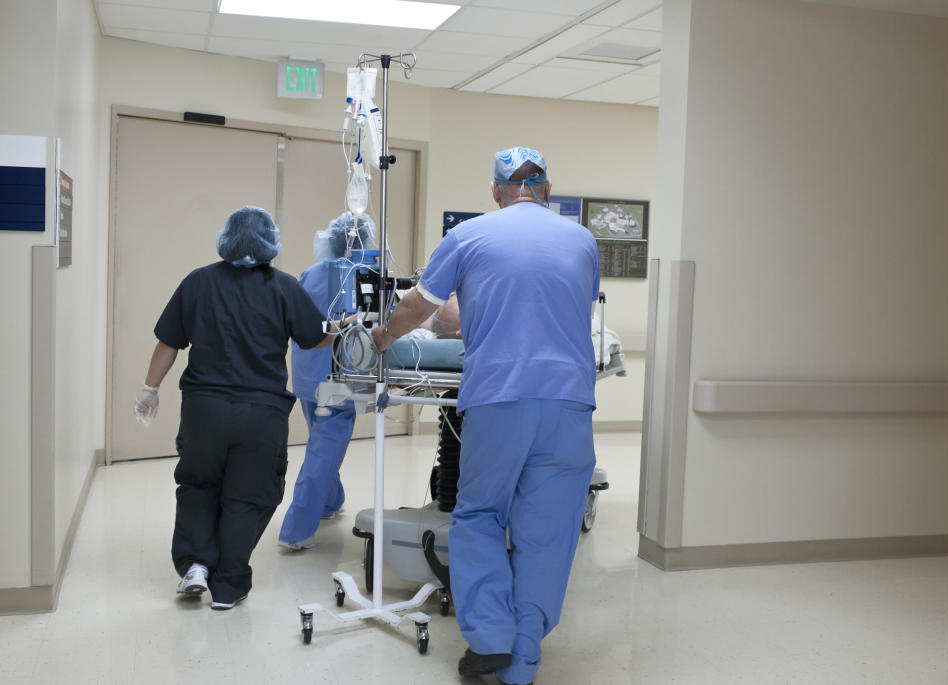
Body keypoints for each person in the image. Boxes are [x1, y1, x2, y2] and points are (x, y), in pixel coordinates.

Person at [372, 147, 599, 685]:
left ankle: (491, 637)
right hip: (569, 402)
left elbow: (419, 308)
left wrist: (382, 337)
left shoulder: (470, 236)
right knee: (548, 532)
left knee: (479, 516)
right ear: (547, 189)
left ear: (496, 192)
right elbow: (572, 308)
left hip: (500, 397)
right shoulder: (584, 240)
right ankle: (521, 662)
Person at [134, 206, 336, 610]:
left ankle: (195, 564)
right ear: (270, 243)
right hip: (260, 414)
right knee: (248, 494)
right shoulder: (284, 287)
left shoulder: (198, 282)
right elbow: (314, 339)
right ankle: (228, 585)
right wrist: (340, 329)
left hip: (204, 412)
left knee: (198, 485)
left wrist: (149, 388)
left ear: (225, 238)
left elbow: (168, 342)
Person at [278, 212, 376, 550]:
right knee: (322, 451)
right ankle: (296, 530)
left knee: (322, 442)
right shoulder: (366, 275)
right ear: (366, 242)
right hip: (341, 378)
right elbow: (378, 325)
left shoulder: (312, 273)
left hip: (307, 374)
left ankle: (331, 502)